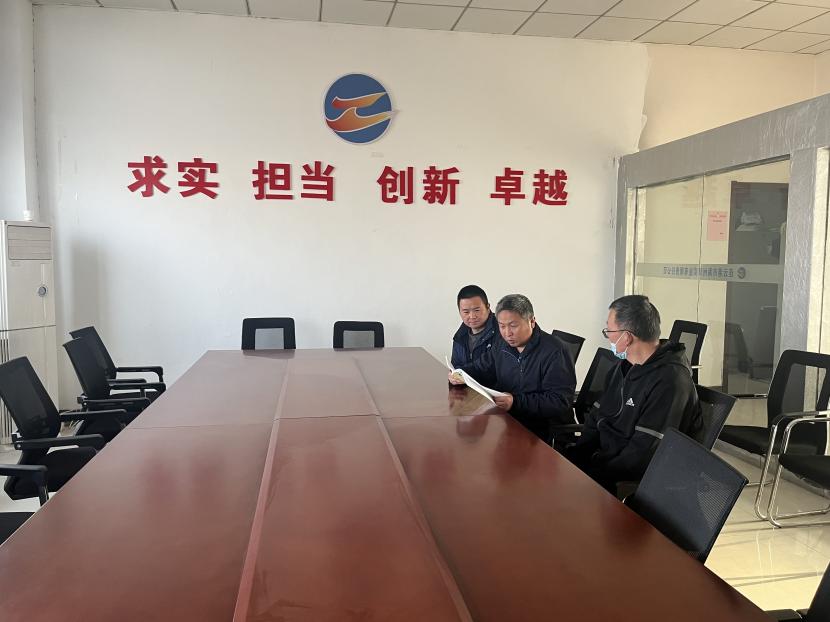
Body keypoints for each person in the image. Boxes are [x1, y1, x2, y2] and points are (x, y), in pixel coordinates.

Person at [565, 295, 702, 492]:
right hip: (603, 462)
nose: (608, 337)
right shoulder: (623, 367)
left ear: (627, 337)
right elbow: (597, 417)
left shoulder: (670, 381)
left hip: (628, 479)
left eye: (609, 331)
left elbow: (642, 452)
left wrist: (593, 471)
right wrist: (577, 456)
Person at [449, 293, 576, 444]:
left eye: (513, 326)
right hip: (509, 420)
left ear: (532, 321)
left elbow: (559, 401)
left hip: (542, 430)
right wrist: (460, 374)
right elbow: (481, 367)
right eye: (502, 326)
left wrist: (515, 402)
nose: (507, 333)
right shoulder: (502, 345)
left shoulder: (554, 351)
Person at [451, 284, 499, 368]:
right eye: (466, 312)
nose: (472, 316)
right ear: (459, 311)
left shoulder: (502, 330)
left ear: (488, 307)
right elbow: (456, 366)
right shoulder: (459, 336)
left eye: (477, 310)